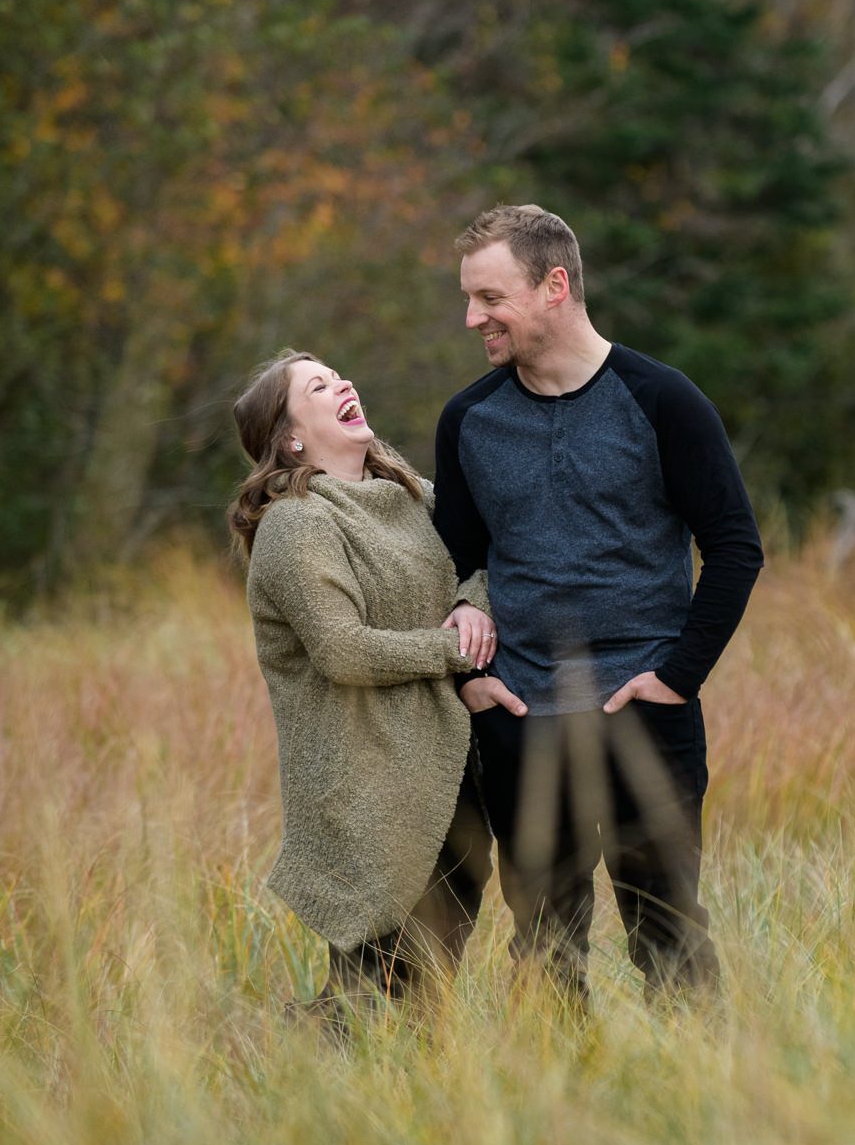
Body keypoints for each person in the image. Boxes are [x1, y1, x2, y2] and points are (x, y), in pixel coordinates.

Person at [432, 204, 764, 1005]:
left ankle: (696, 1107)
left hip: (642, 712)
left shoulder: (662, 401)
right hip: (519, 716)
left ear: (555, 285)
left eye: (489, 298)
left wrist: (676, 678)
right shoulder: (469, 419)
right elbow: (446, 569)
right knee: (544, 941)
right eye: (469, 299)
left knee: (670, 934)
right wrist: (469, 682)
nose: (473, 317)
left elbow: (734, 547)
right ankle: (560, 1116)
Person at [228, 349, 496, 1018]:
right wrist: (454, 648)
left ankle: (386, 1104)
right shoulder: (295, 524)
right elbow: (343, 651)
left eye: (339, 373)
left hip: (446, 769)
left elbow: (482, 560)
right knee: (374, 993)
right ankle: (285, 1071)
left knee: (423, 984)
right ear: (290, 437)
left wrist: (473, 606)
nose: (343, 382)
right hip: (368, 787)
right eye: (317, 385)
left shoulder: (410, 496)